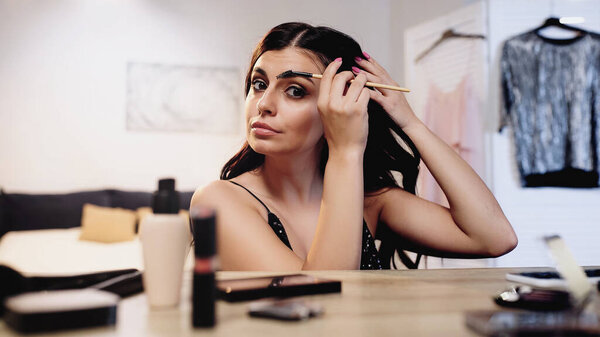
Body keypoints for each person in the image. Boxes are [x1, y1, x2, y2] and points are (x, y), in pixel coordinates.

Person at [191, 22, 517, 271]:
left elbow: (494, 237)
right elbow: (323, 308)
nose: (263, 104)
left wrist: (410, 122)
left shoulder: (370, 201)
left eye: (295, 91)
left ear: (346, 101)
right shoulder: (218, 201)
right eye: (258, 84)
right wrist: (346, 152)